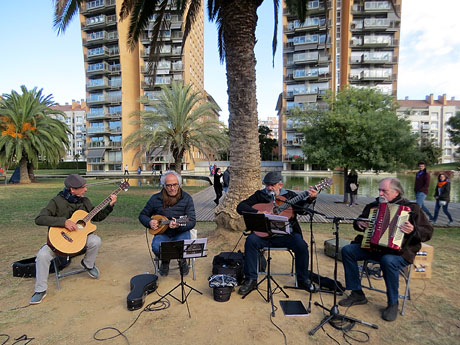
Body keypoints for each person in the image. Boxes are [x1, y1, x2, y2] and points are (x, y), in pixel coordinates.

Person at [339, 177, 433, 321]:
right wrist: (359, 224)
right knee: (348, 251)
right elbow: (359, 221)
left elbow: (428, 232)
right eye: (379, 190)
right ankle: (357, 293)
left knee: (388, 260)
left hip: (399, 253)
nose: (381, 194)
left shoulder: (412, 209)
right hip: (374, 249)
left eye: (384, 191)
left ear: (396, 192)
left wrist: (413, 230)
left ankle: (393, 303)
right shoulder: (373, 206)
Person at [31, 174, 117, 305]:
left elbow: (97, 217)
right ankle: (40, 290)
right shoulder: (56, 201)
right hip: (59, 242)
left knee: (95, 240)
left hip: (78, 242)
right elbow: (39, 219)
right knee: (42, 256)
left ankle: (88, 264)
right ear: (72, 189)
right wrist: (63, 222)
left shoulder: (85, 201)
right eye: (82, 187)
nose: (86, 189)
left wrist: (109, 206)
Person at [236, 171, 318, 295]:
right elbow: (240, 207)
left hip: (286, 236)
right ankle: (251, 279)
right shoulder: (260, 195)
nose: (269, 188)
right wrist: (258, 213)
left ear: (280, 185)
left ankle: (302, 279)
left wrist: (311, 198)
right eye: (267, 184)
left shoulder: (290, 196)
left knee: (301, 245)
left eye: (272, 185)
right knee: (251, 241)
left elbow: (303, 210)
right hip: (263, 236)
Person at [139, 171, 196, 276]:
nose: (172, 188)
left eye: (175, 185)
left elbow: (191, 221)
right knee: (156, 247)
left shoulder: (187, 198)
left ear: (179, 184)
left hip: (180, 232)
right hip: (162, 233)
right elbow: (142, 215)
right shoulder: (155, 199)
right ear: (164, 186)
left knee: (182, 247)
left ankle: (182, 261)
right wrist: (149, 222)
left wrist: (179, 225)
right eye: (169, 185)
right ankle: (165, 261)